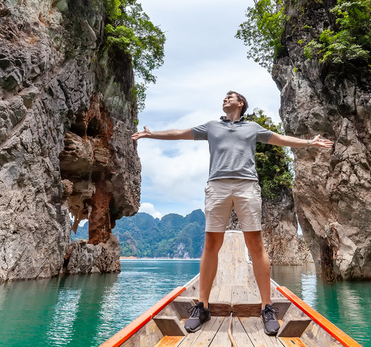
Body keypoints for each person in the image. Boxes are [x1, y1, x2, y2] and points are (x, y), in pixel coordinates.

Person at [131, 91, 333, 336]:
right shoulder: (212, 126)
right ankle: (202, 307)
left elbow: (280, 139)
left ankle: (266, 308)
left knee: (255, 244)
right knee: (210, 244)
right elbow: (181, 133)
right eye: (224, 97)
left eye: (231, 96)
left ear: (241, 103)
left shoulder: (252, 128)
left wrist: (310, 143)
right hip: (217, 186)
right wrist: (153, 134)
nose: (225, 98)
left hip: (247, 185)